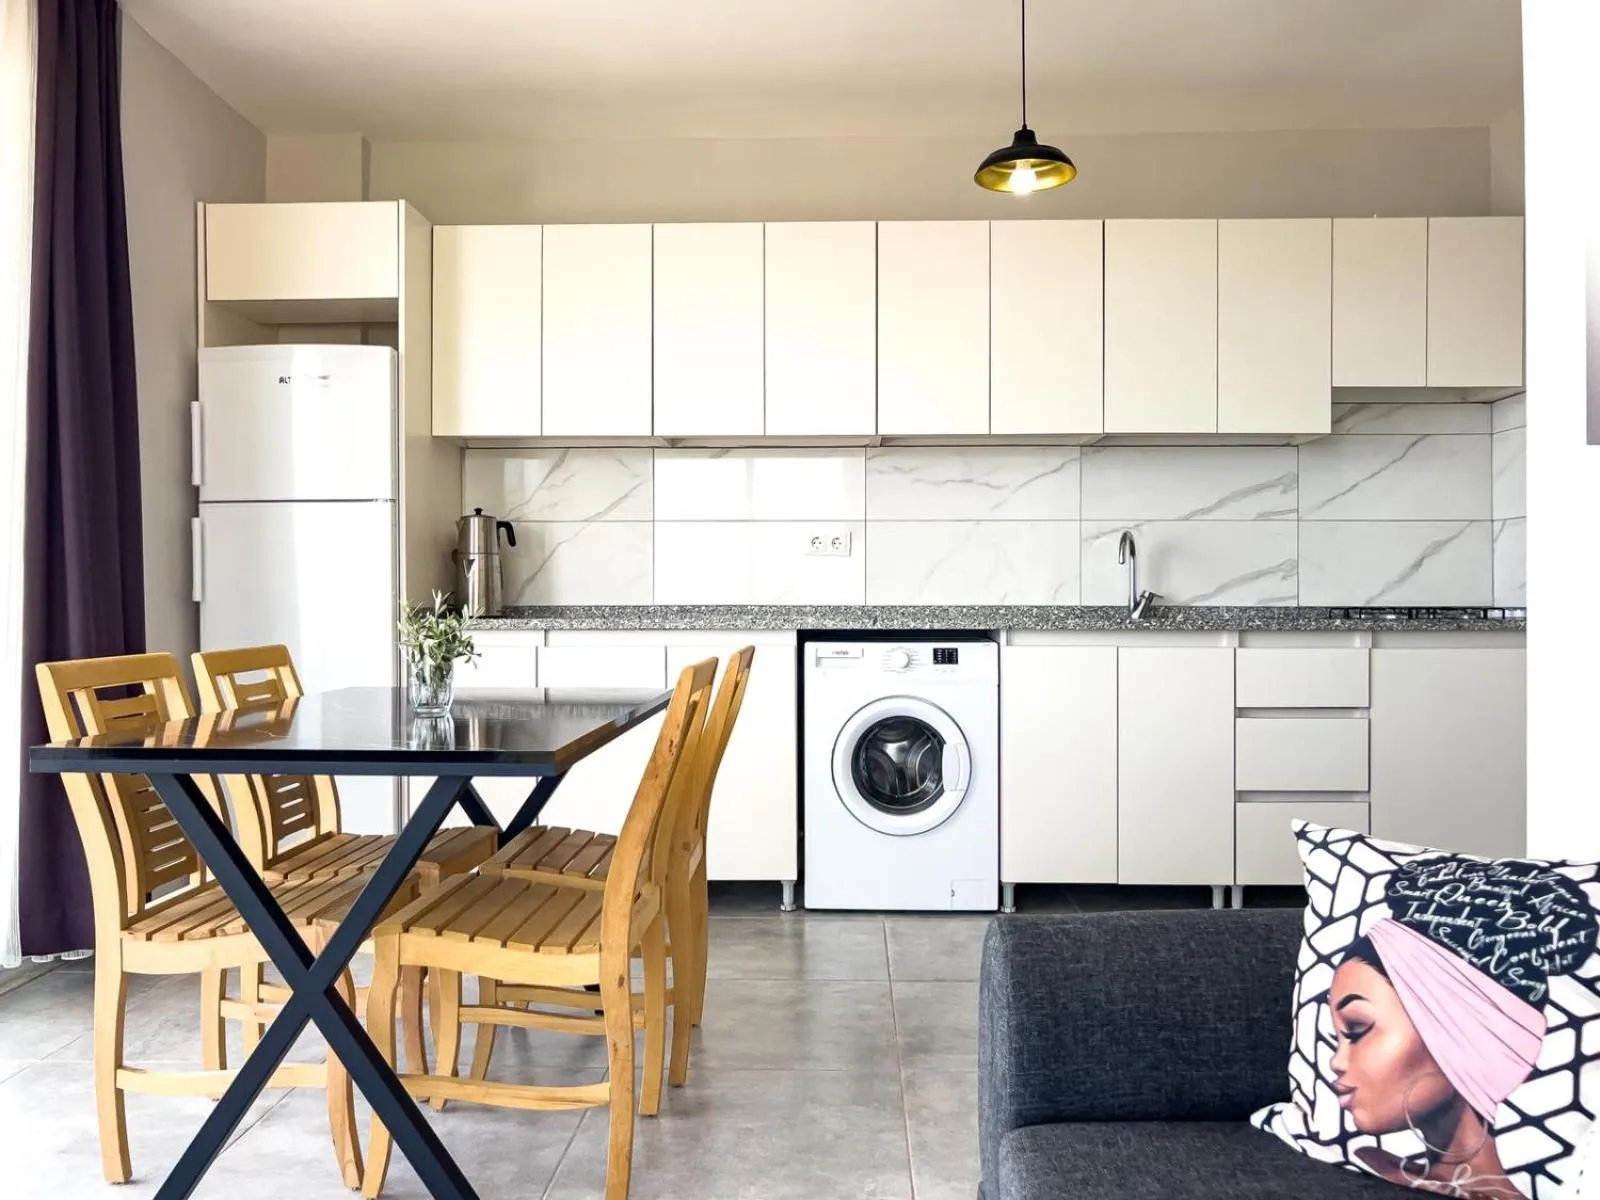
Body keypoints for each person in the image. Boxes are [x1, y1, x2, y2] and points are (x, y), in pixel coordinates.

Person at [1328, 858, 1597, 1199]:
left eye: (1356, 1029)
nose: (1335, 1062)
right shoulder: (1367, 1160)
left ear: (1462, 1031)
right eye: (1336, 1036)